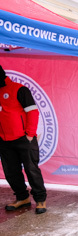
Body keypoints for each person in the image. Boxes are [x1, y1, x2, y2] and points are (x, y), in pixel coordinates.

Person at [0, 65, 47, 214]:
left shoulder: (19, 89)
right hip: (4, 140)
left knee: (31, 170)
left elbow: (32, 112)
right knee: (11, 172)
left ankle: (40, 200)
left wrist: (29, 134)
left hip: (24, 138)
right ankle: (22, 198)